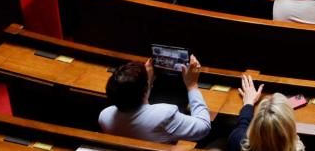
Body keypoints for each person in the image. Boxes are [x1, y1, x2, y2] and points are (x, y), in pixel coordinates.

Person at [96, 55, 229, 145]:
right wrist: (192, 85)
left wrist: (146, 81)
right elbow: (204, 127)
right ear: (145, 88)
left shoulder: (104, 116)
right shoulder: (164, 115)